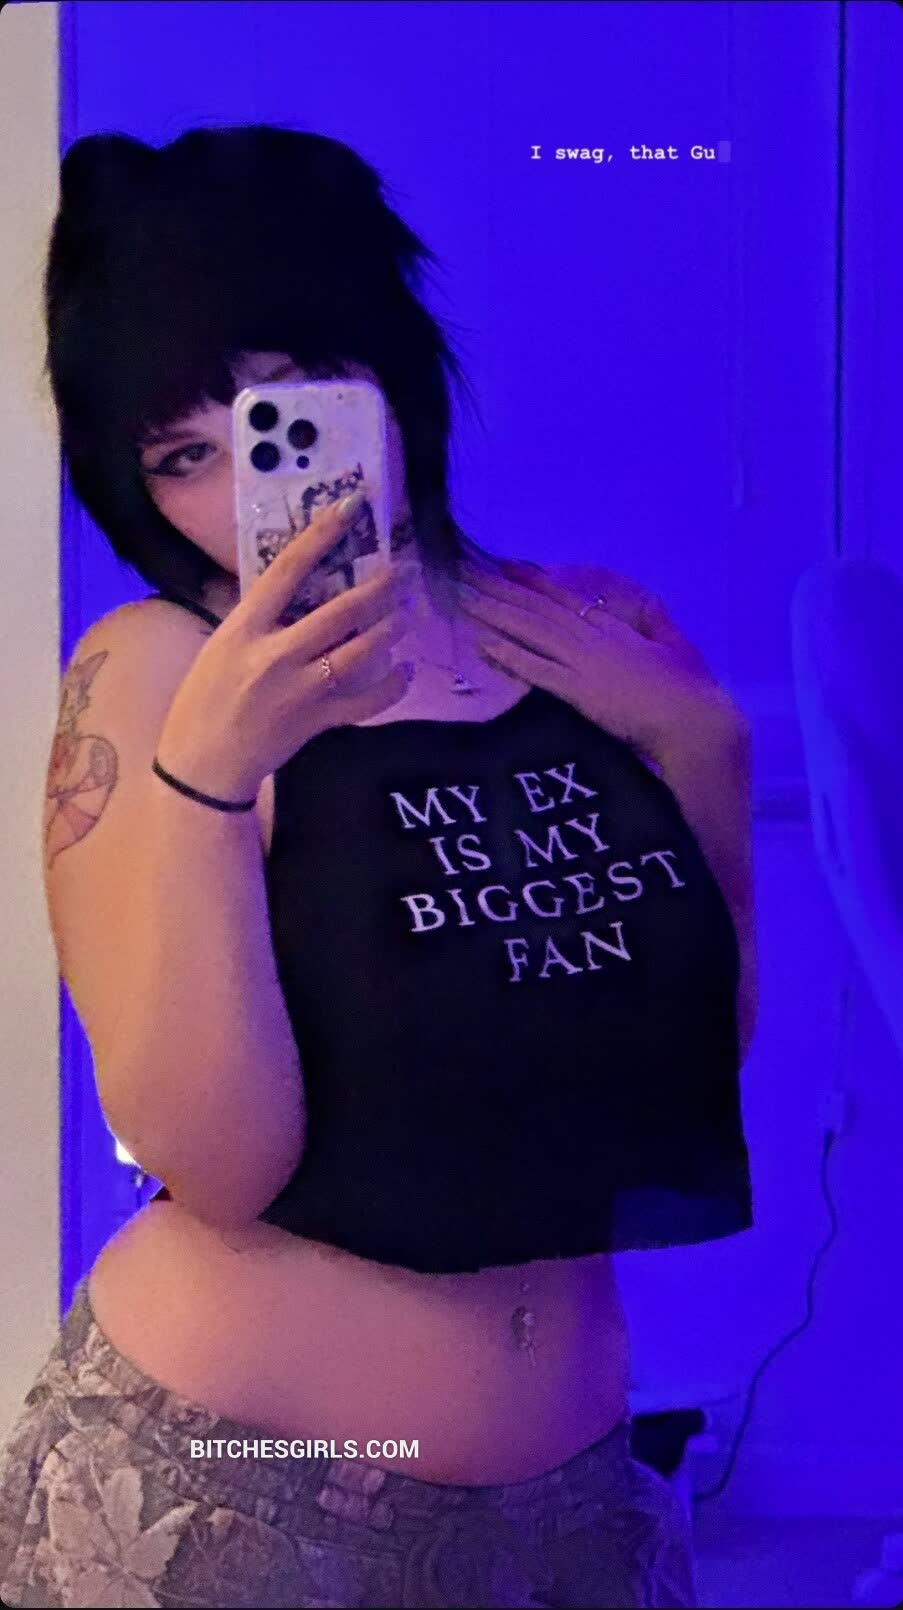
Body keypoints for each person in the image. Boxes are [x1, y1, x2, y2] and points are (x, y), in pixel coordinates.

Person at [0, 125, 754, 1609]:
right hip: (236, 1501)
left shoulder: (588, 630)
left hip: (581, 1517)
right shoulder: (155, 673)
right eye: (181, 456)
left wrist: (706, 747)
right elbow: (216, 1165)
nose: (249, 483)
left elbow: (684, 1063)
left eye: (290, 401)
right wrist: (211, 780)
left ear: (387, 371)